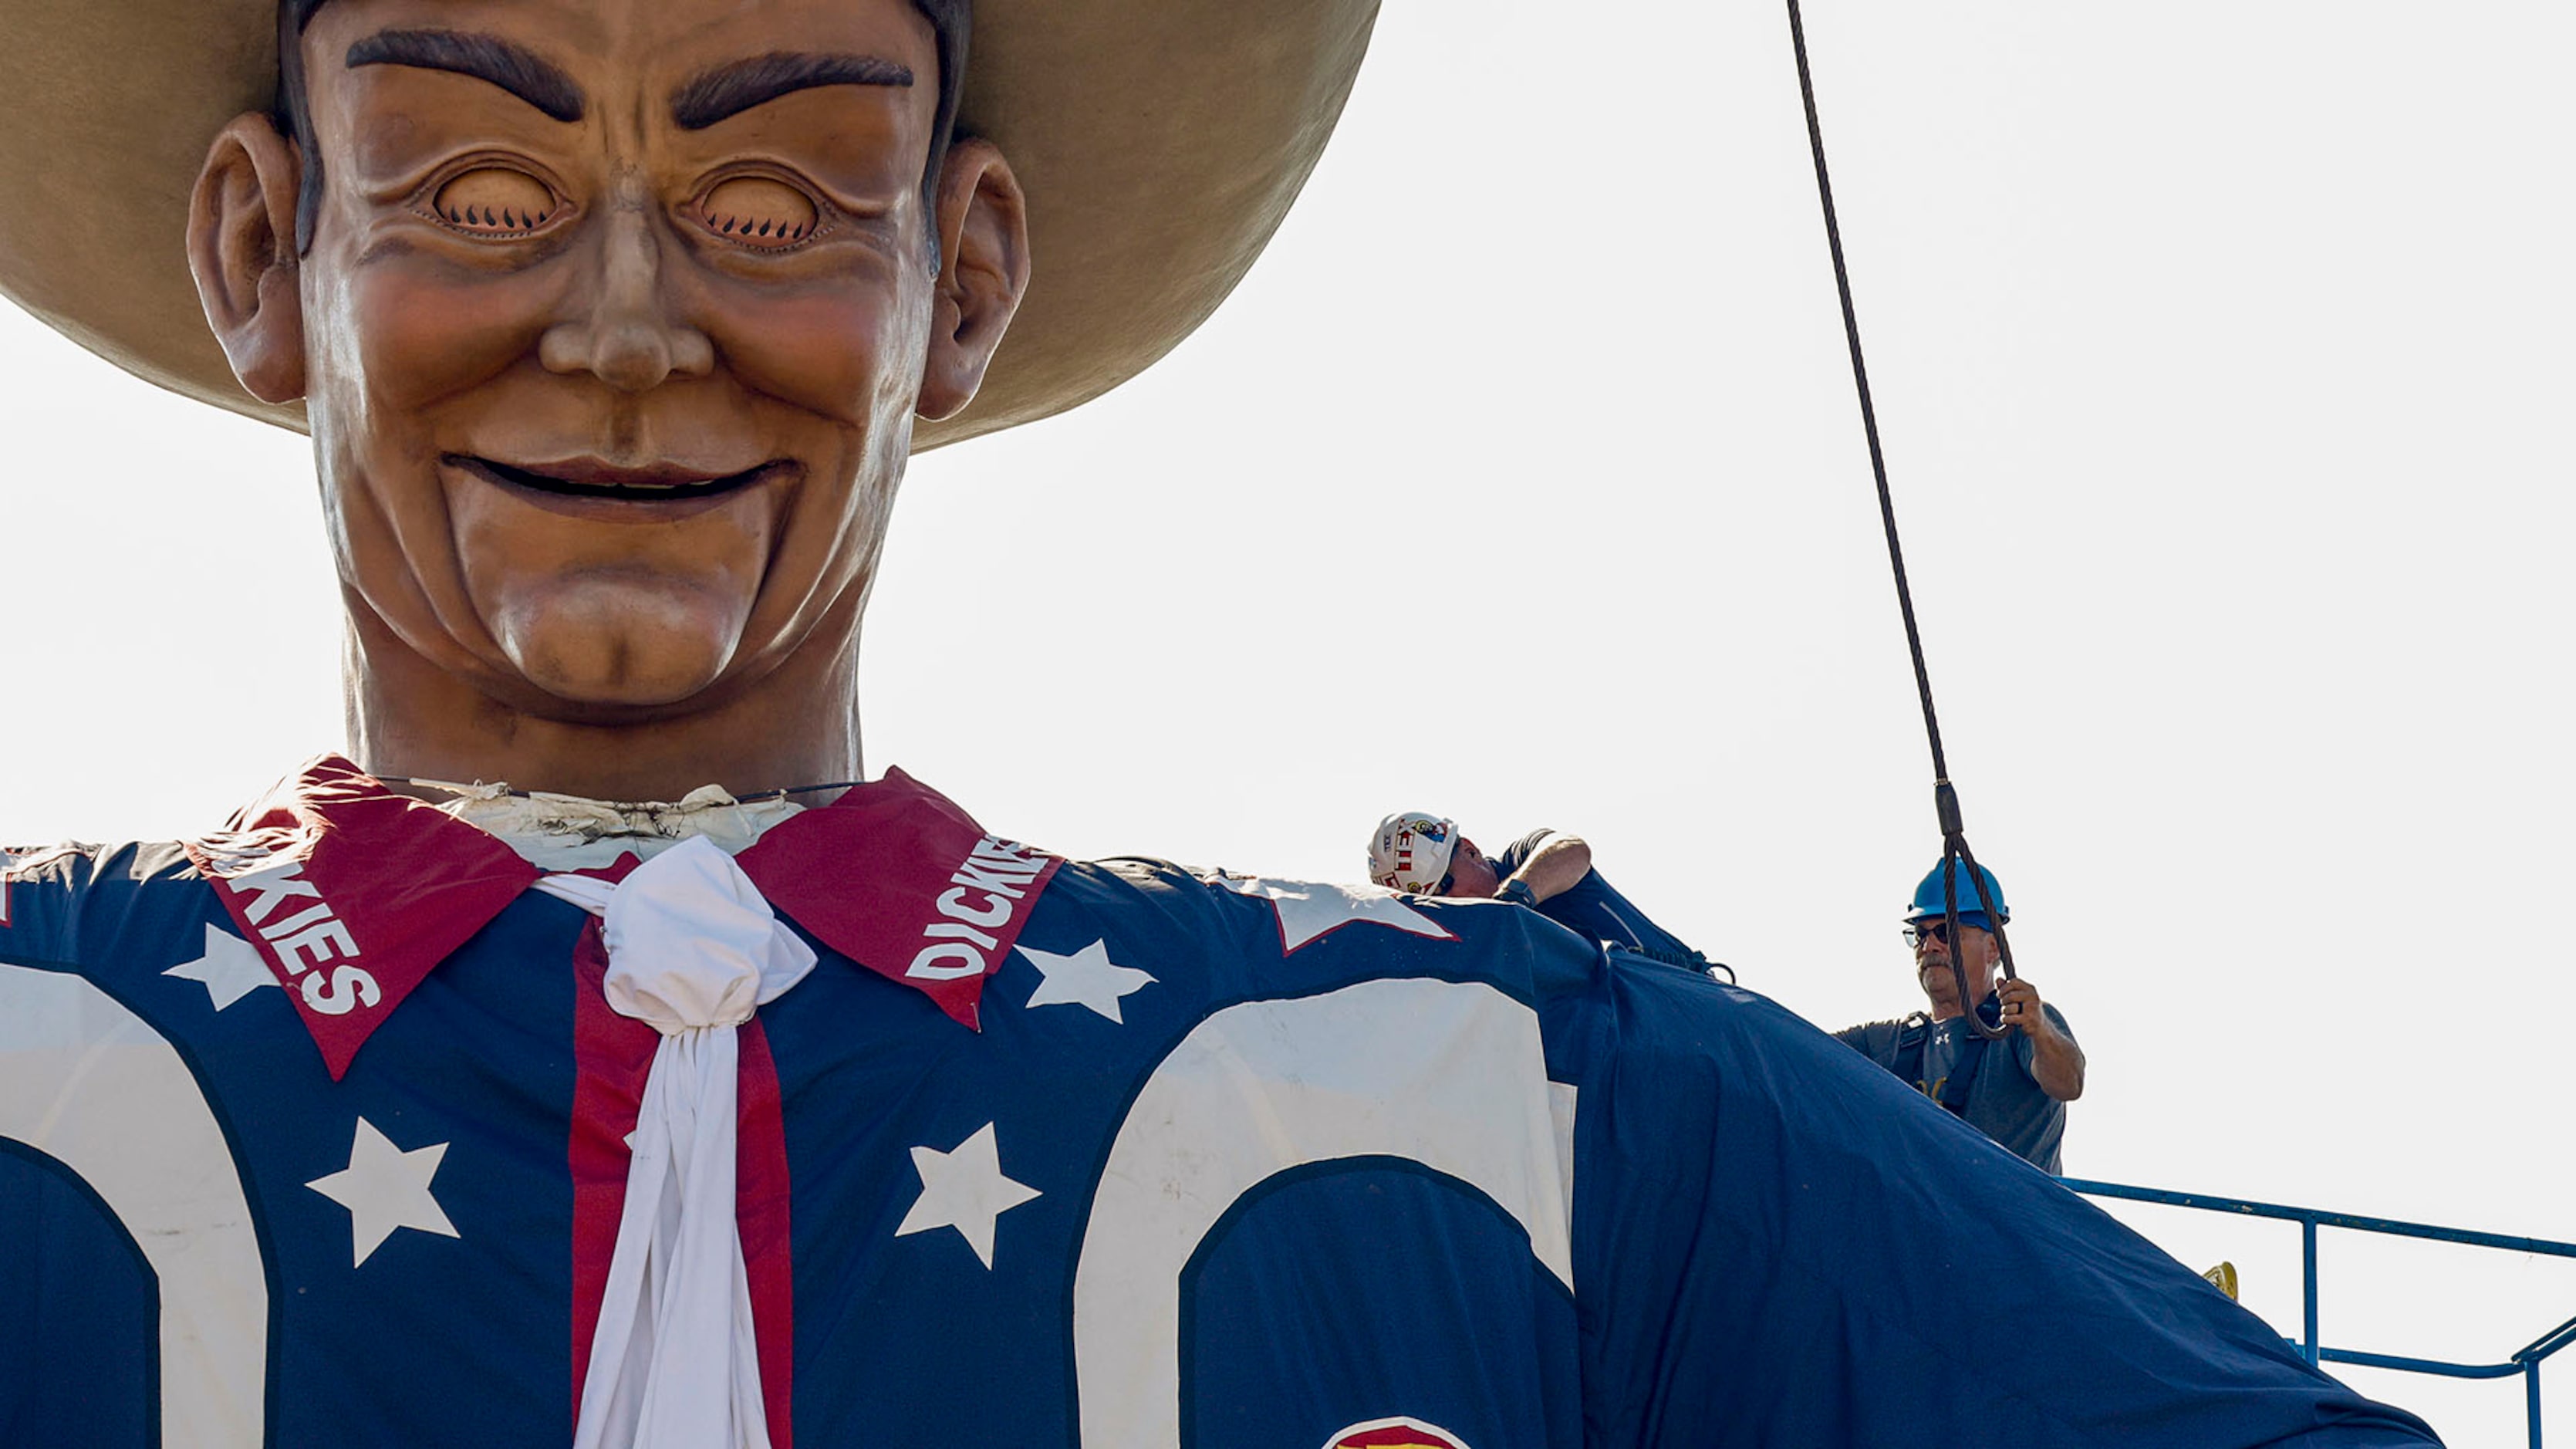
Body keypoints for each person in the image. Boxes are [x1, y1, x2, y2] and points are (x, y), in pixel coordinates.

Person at [0, 2, 2437, 1444]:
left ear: (957, 281)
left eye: (773, 199)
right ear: (260, 246)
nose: (630, 319)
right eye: (479, 178)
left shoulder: (1525, 1104)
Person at [1835, 861, 2087, 1171]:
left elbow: (2068, 1084)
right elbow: (1796, 1053)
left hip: (2006, 1215)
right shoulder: (1889, 1042)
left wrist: (2040, 1031)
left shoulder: (2020, 1024)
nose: (1930, 946)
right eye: (1920, 934)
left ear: (1993, 947)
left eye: (1946, 932)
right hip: (1928, 1215)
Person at [1366, 811, 1718, 972]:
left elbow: (1570, 849)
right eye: (1434, 902)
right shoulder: (1472, 944)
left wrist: (1516, 899)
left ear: (1471, 851)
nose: (1448, 905)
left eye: (1446, 887)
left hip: (1688, 994)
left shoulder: (1526, 860)